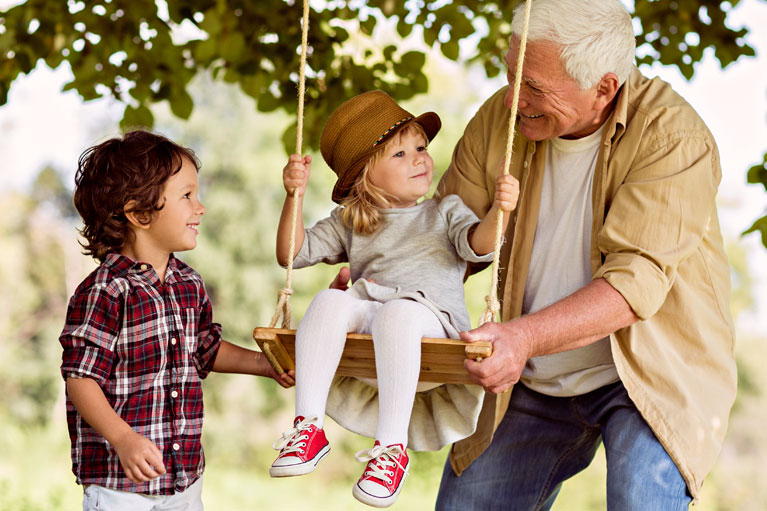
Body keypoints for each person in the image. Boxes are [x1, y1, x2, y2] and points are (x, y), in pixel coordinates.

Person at [424, 0, 737, 509]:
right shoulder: (500, 121)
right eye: (511, 76)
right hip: (530, 370)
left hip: (648, 377)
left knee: (640, 498)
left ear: (604, 87)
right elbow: (447, 235)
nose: (513, 101)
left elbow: (631, 286)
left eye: (536, 88)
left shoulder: (673, 136)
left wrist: (520, 337)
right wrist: (383, 282)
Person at [270, 90, 519, 507]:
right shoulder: (351, 221)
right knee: (329, 302)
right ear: (366, 174)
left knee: (398, 314)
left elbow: (479, 245)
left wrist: (500, 212)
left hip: (427, 328)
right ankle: (307, 427)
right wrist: (292, 196)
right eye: (400, 154)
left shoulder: (444, 211)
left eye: (420, 147)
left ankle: (390, 449)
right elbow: (291, 254)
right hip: (376, 338)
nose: (420, 158)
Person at [59, 130, 295, 511]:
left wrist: (263, 364)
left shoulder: (188, 283)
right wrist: (123, 438)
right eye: (187, 196)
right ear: (139, 213)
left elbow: (205, 349)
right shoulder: (106, 290)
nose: (200, 208)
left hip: (183, 479)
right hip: (120, 485)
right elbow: (81, 379)